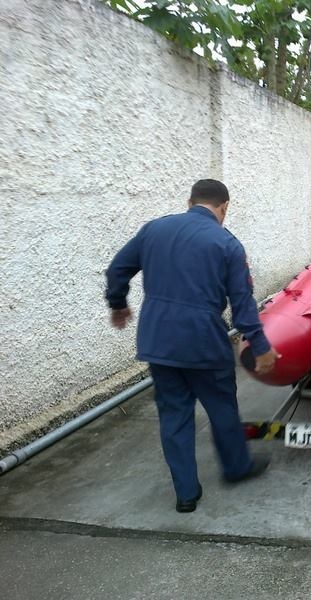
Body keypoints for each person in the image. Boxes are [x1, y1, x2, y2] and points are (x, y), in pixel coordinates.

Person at [105, 179, 280, 513]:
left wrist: (118, 304)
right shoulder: (227, 244)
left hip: (157, 339)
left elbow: (117, 270)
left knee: (174, 413)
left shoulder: (154, 230)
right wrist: (259, 345)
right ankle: (236, 468)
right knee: (221, 407)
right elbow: (242, 303)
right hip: (202, 340)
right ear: (224, 207)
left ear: (190, 201)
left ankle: (186, 494)